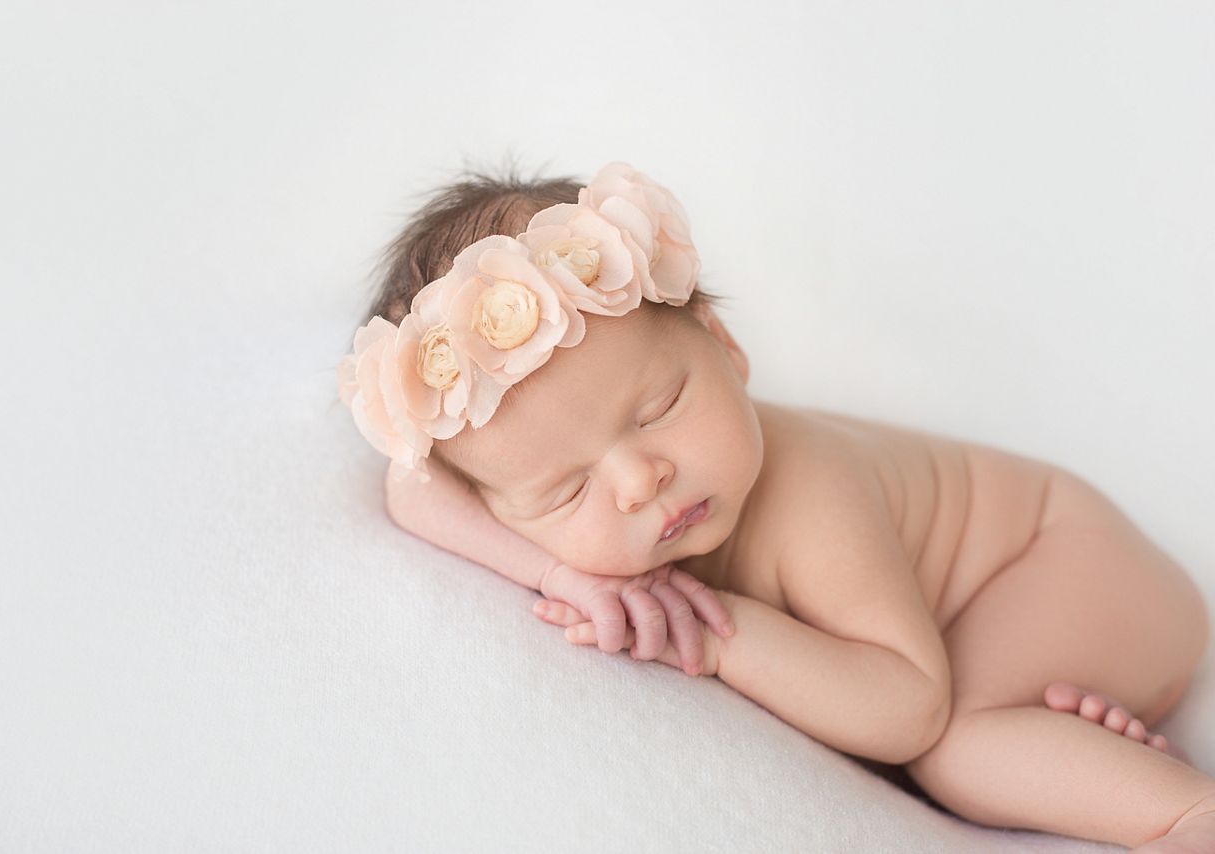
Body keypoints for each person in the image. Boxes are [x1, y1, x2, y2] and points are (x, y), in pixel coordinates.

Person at [337, 160, 1214, 851]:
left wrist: (723, 636)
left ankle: (1184, 818)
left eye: (659, 410)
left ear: (725, 346)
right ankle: (1073, 735)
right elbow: (411, 487)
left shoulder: (808, 497)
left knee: (956, 753)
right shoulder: (534, 489)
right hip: (1010, 615)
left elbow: (906, 707)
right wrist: (561, 569)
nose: (640, 479)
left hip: (1069, 560)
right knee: (979, 734)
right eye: (566, 490)